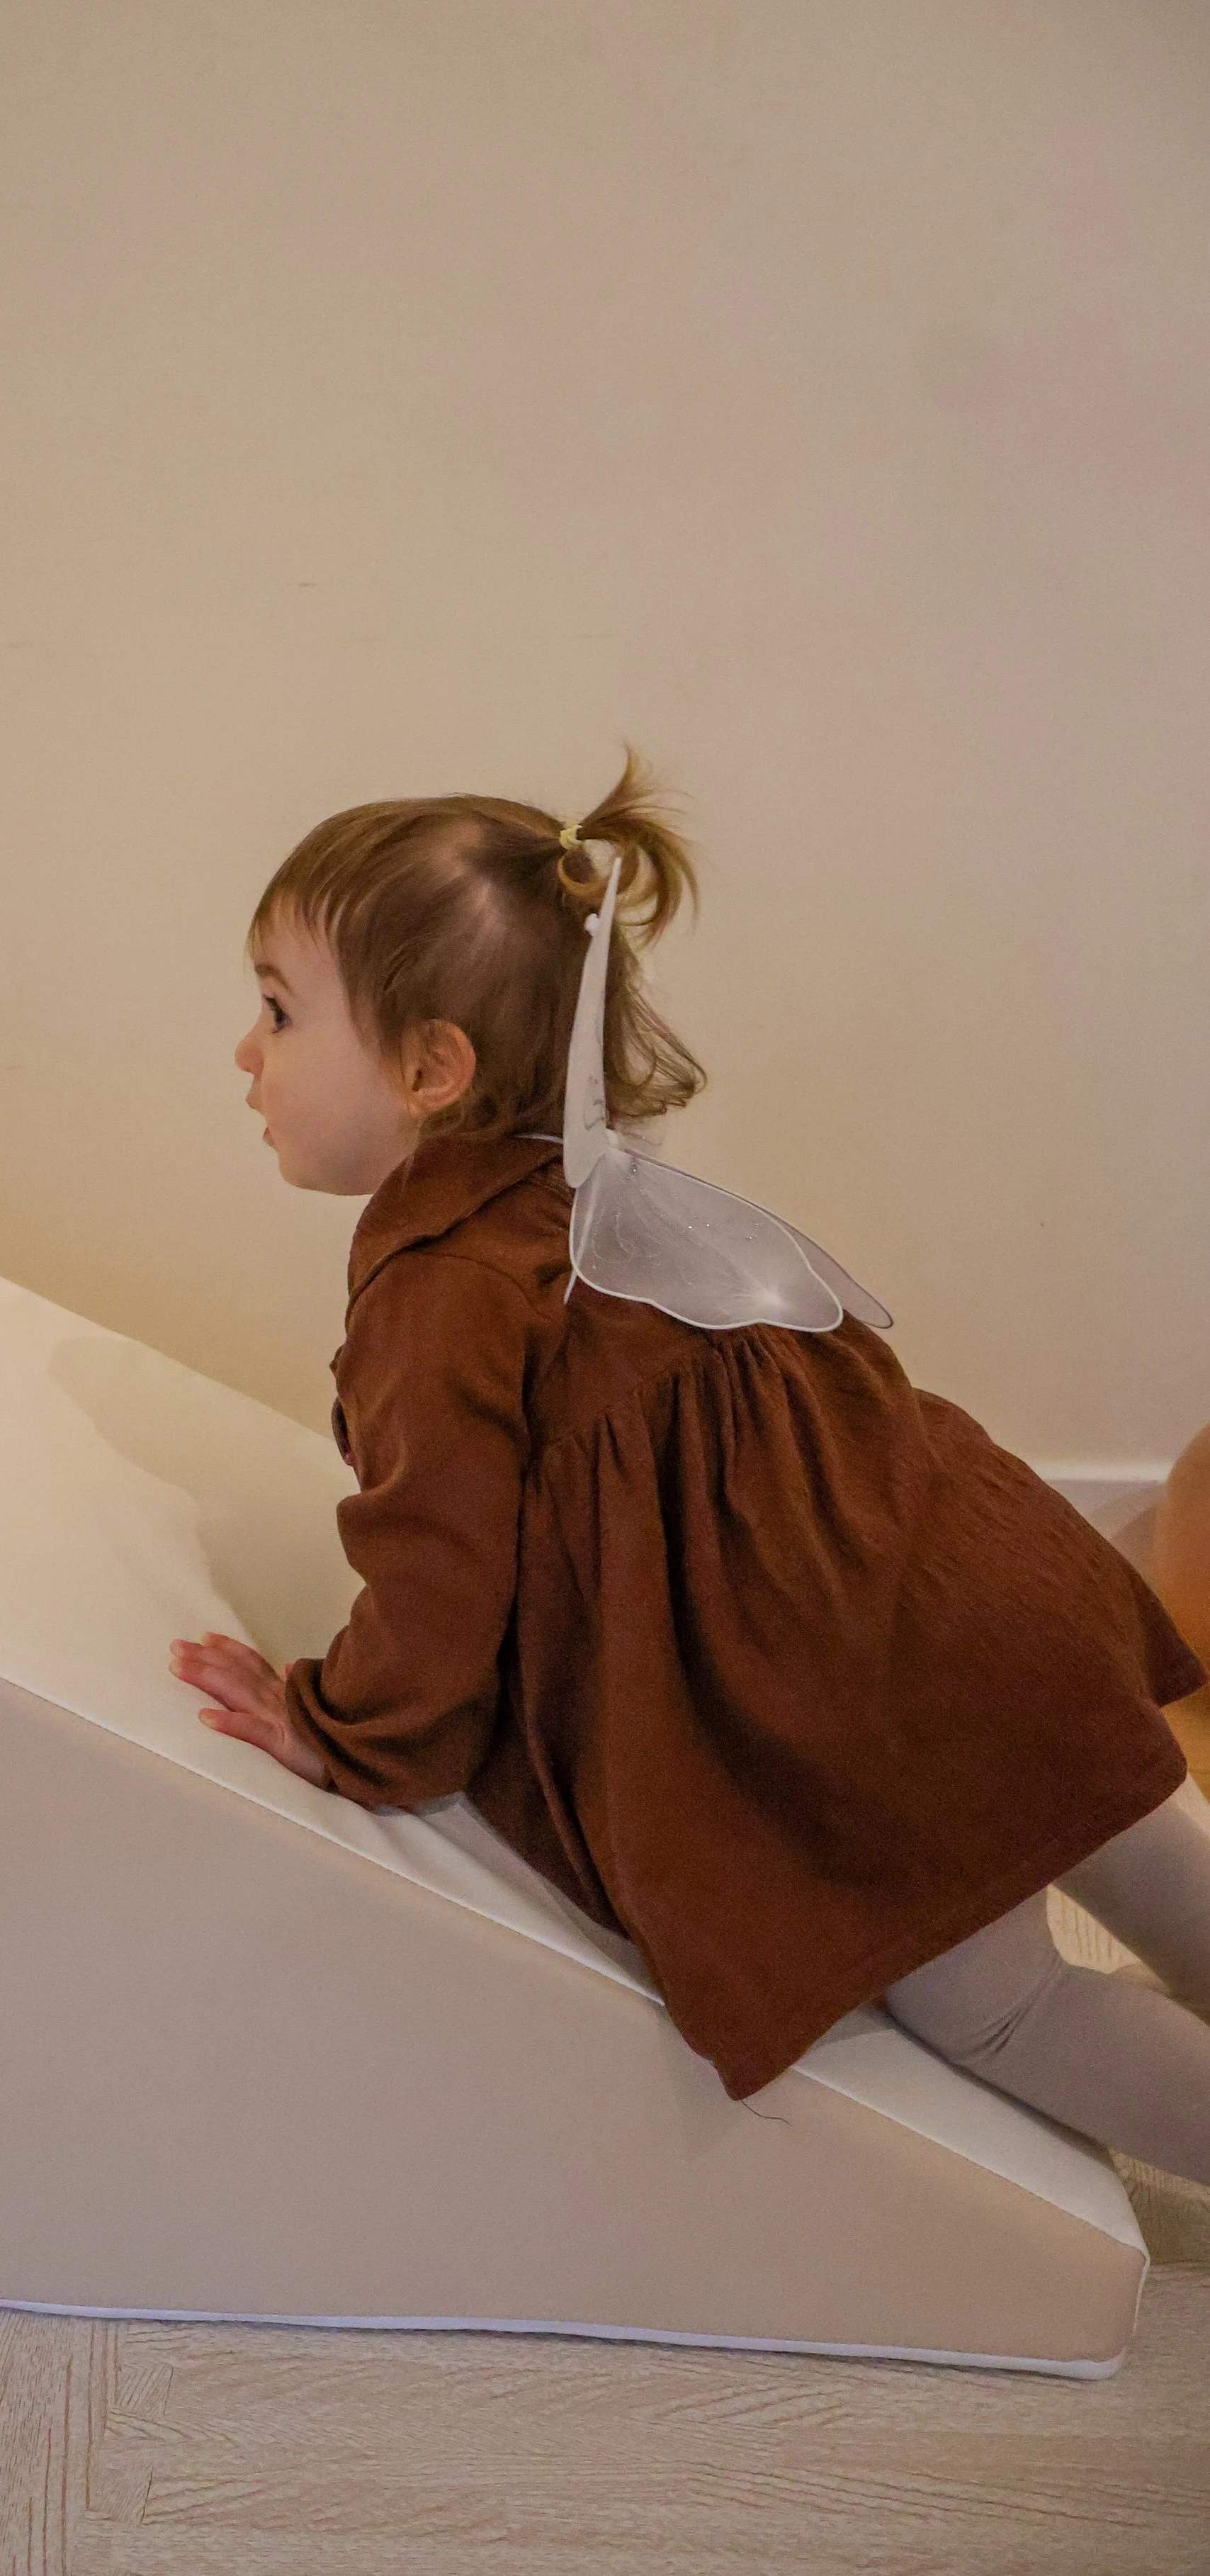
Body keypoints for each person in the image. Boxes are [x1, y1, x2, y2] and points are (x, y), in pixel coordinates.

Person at [169, 759, 1210, 2181]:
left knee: (1007, 2005)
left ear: (428, 1067)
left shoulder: (444, 1294)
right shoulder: (592, 1191)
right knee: (1130, 1814)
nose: (245, 1052)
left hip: (872, 1678)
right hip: (979, 1566)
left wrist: (339, 1728)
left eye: (280, 1013)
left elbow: (438, 1582)